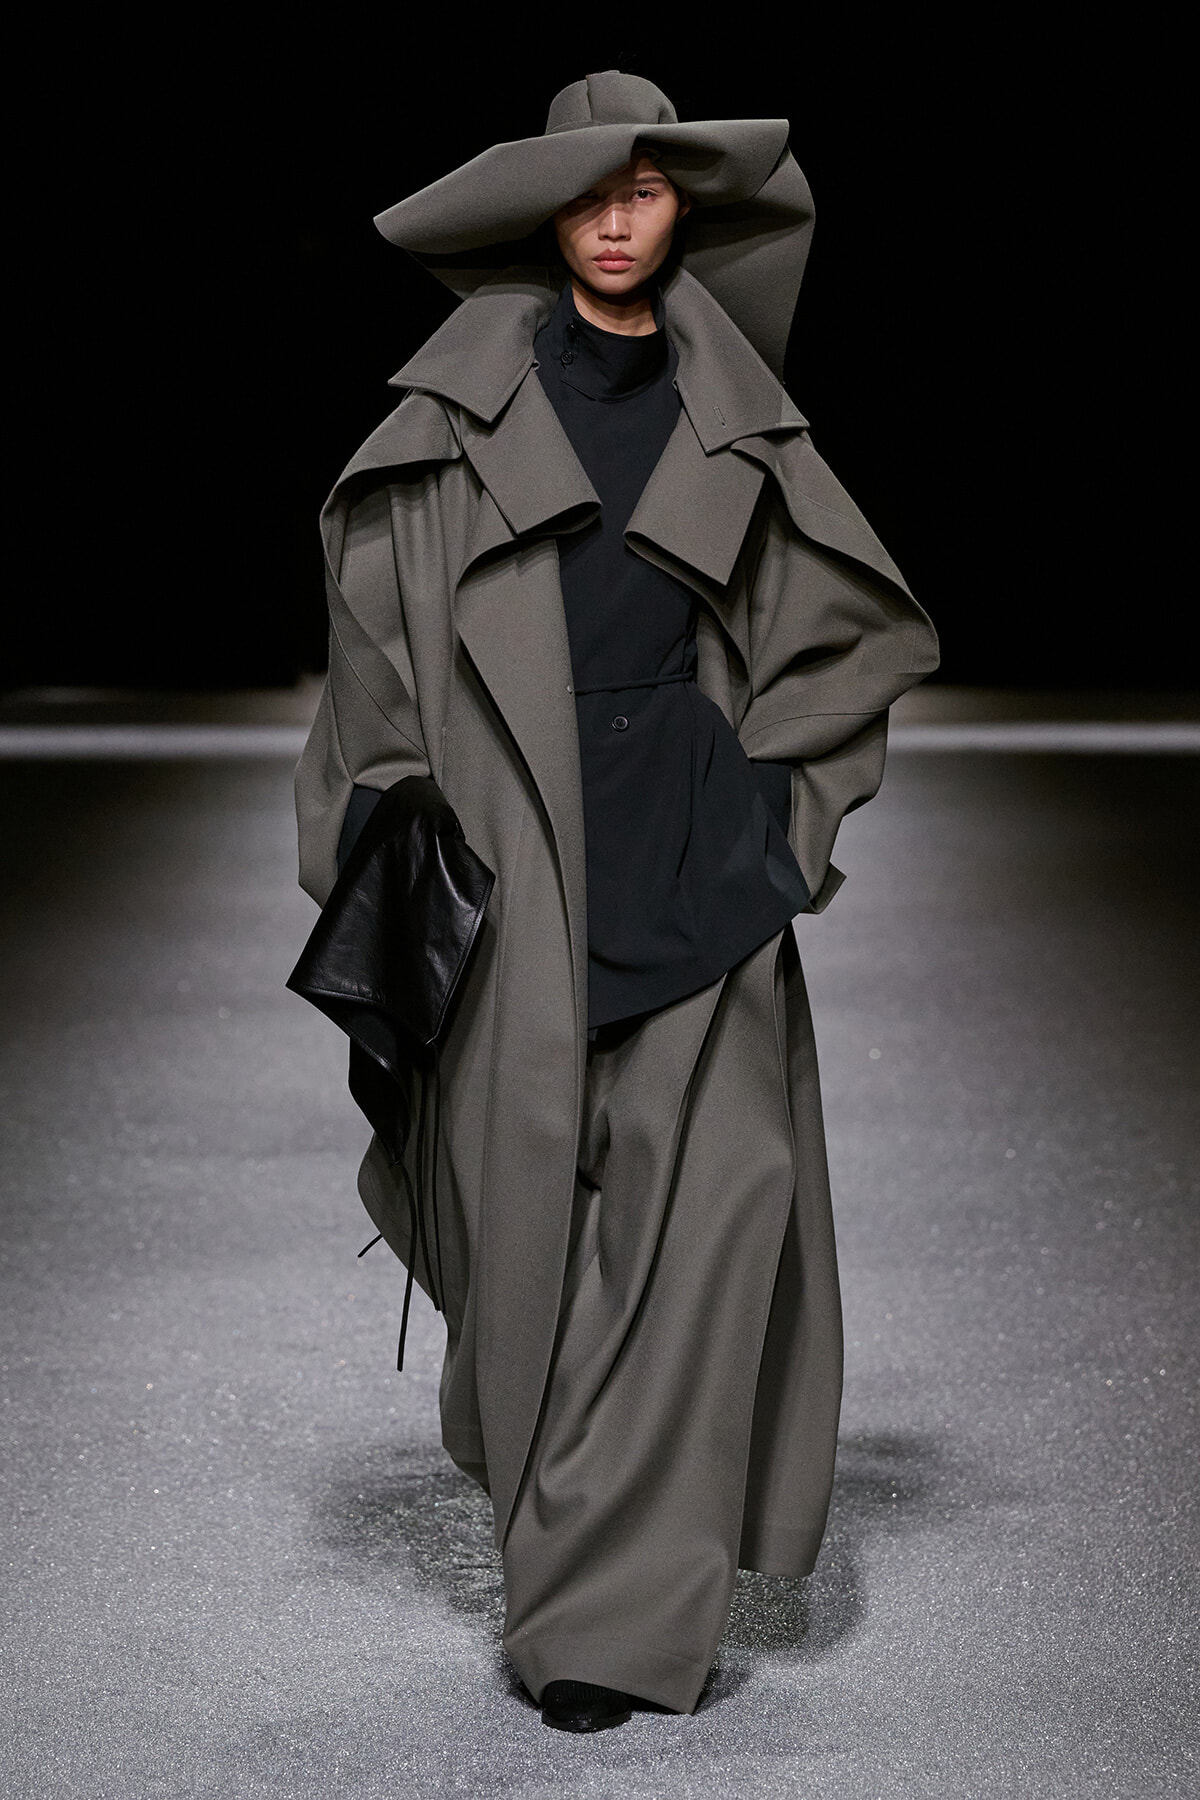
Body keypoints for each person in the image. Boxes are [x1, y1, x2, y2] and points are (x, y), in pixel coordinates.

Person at [294, 69, 938, 1733]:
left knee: (714, 1213)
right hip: (513, 845)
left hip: (692, 851)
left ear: (681, 210)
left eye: (644, 188)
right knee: (527, 1234)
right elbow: (374, 649)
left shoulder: (738, 416)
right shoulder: (455, 418)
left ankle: (614, 1623)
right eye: (587, 191)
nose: (615, 217)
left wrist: (776, 810)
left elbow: (839, 629)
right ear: (548, 213)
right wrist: (390, 826)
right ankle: (573, 1556)